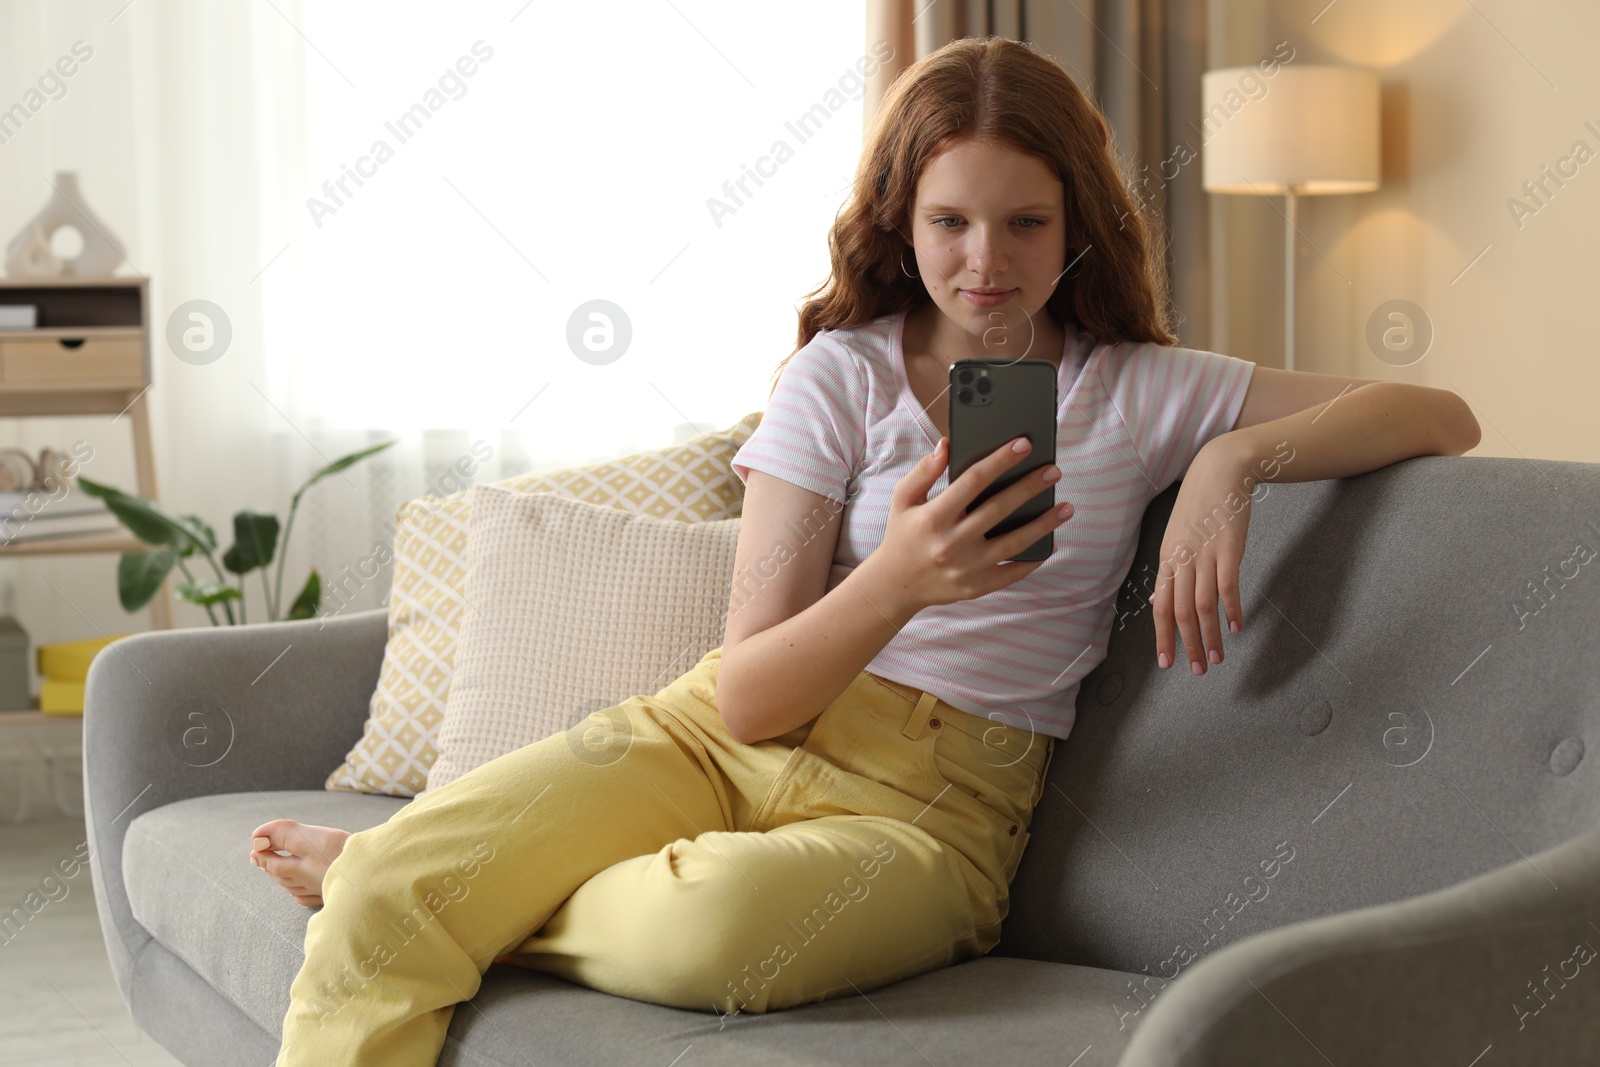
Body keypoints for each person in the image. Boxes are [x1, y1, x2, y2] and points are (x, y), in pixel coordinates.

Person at [259, 36, 1479, 1065]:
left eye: (1025, 222)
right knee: (378, 903)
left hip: (928, 814)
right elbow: (746, 694)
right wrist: (900, 578)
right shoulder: (836, 378)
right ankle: (417, 874)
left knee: (702, 929)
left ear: (1081, 227)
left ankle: (435, 872)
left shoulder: (1142, 393)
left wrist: (1231, 461)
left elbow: (1437, 412)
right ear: (901, 220)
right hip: (716, 735)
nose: (985, 263)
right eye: (948, 221)